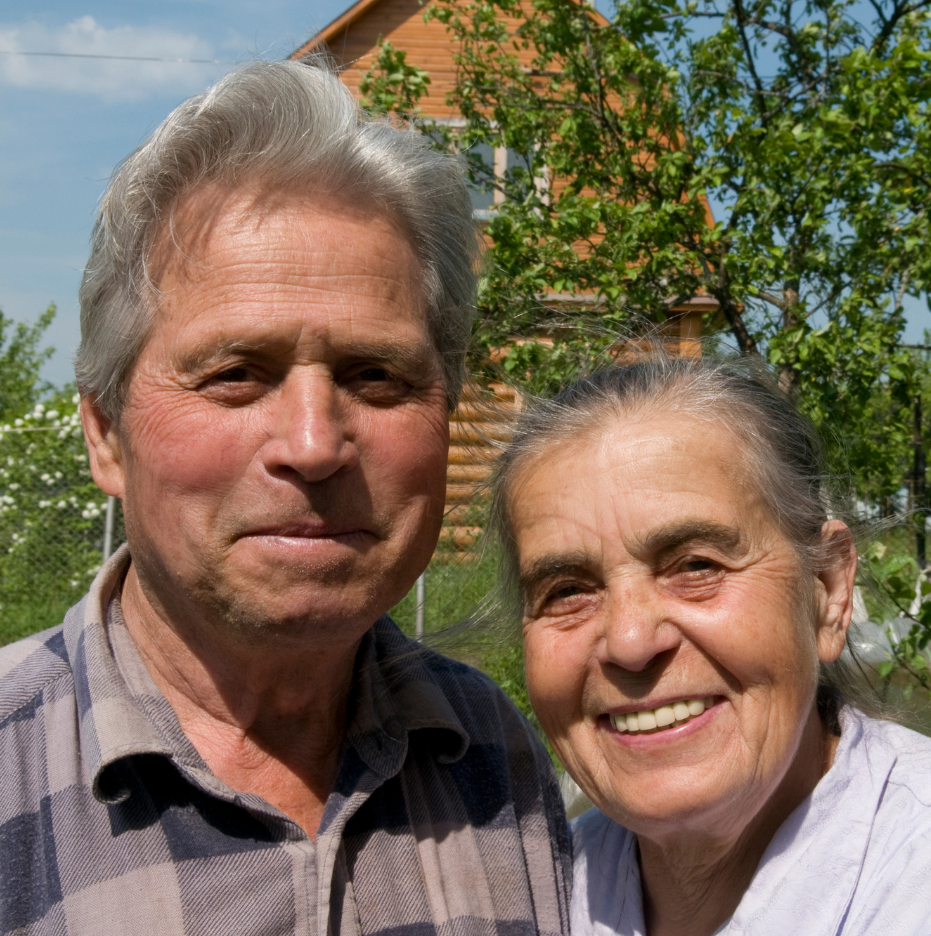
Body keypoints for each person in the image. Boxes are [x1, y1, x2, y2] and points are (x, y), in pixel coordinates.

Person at [0, 61, 571, 936]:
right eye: (235, 374)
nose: (312, 444)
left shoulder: (494, 755)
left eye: (376, 376)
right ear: (106, 434)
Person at [489, 358, 931, 936]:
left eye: (697, 565)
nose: (630, 642)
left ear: (828, 591)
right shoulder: (544, 891)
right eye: (568, 591)